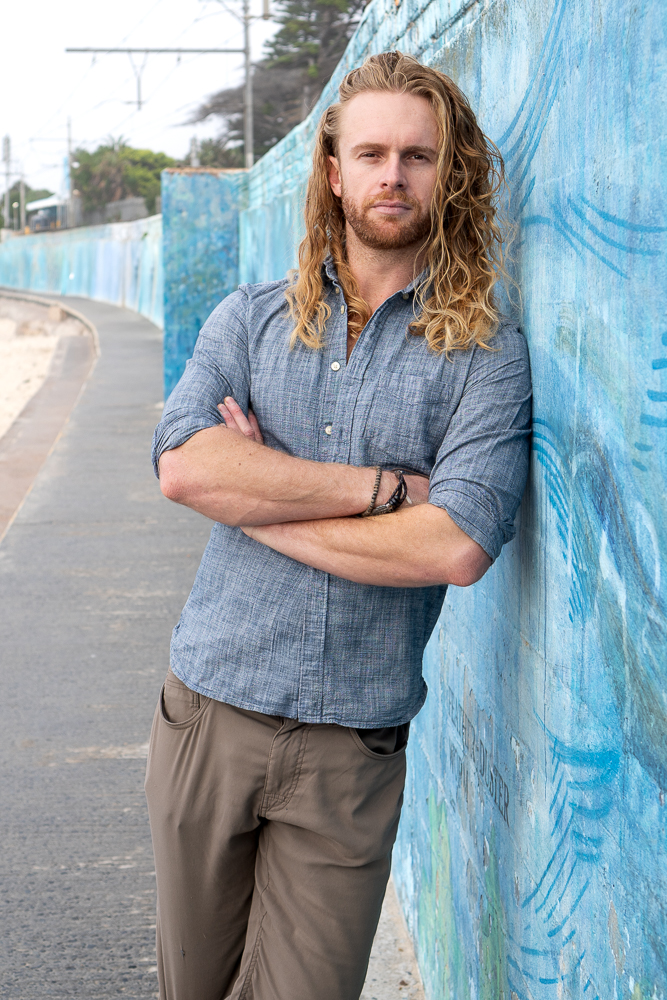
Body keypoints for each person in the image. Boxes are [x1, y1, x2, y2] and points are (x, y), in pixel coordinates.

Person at [146, 50, 531, 1000]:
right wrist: (386, 490)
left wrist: (260, 504)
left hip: (350, 745)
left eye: (416, 155)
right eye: (370, 154)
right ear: (333, 172)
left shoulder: (485, 355)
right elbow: (185, 466)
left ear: (448, 173)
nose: (392, 175)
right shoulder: (246, 321)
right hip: (209, 712)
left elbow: (454, 546)